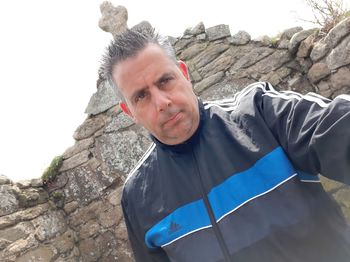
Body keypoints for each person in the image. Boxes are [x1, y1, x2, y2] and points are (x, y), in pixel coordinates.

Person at [101, 28, 350, 262]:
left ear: (184, 74)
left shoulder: (260, 114)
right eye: (141, 96)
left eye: (165, 80)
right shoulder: (137, 197)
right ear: (129, 112)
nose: (162, 102)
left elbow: (338, 129)